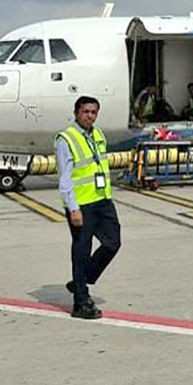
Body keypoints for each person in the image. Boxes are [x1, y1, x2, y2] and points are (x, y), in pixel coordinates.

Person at [56, 96, 122, 320]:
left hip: (103, 200)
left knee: (113, 243)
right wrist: (72, 207)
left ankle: (81, 281)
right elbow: (65, 177)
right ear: (76, 113)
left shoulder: (98, 134)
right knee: (82, 252)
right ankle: (81, 303)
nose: (90, 116)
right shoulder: (66, 139)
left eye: (94, 112)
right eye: (85, 112)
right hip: (81, 204)